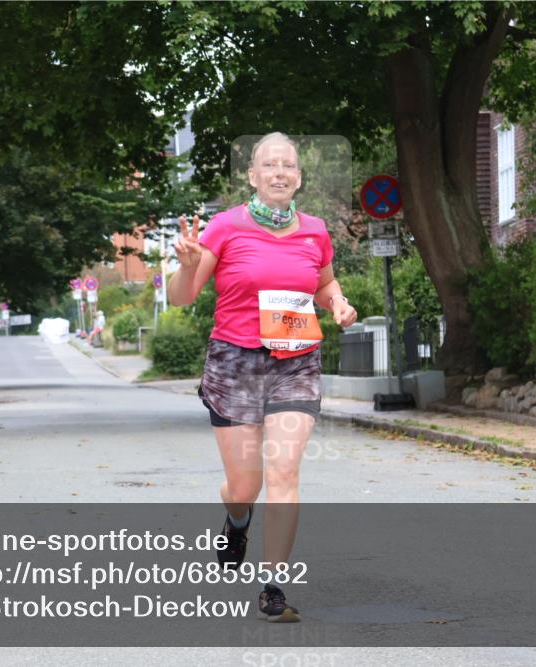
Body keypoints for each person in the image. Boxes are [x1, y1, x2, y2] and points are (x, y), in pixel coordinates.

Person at [168, 132, 358, 623]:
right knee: (244, 485)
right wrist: (185, 268)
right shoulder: (225, 227)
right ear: (252, 176)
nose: (279, 172)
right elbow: (181, 298)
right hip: (235, 361)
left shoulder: (315, 230)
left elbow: (322, 281)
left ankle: (273, 585)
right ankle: (237, 521)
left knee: (283, 472)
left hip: (295, 360)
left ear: (298, 177)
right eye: (269, 165)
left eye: (288, 165)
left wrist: (336, 301)